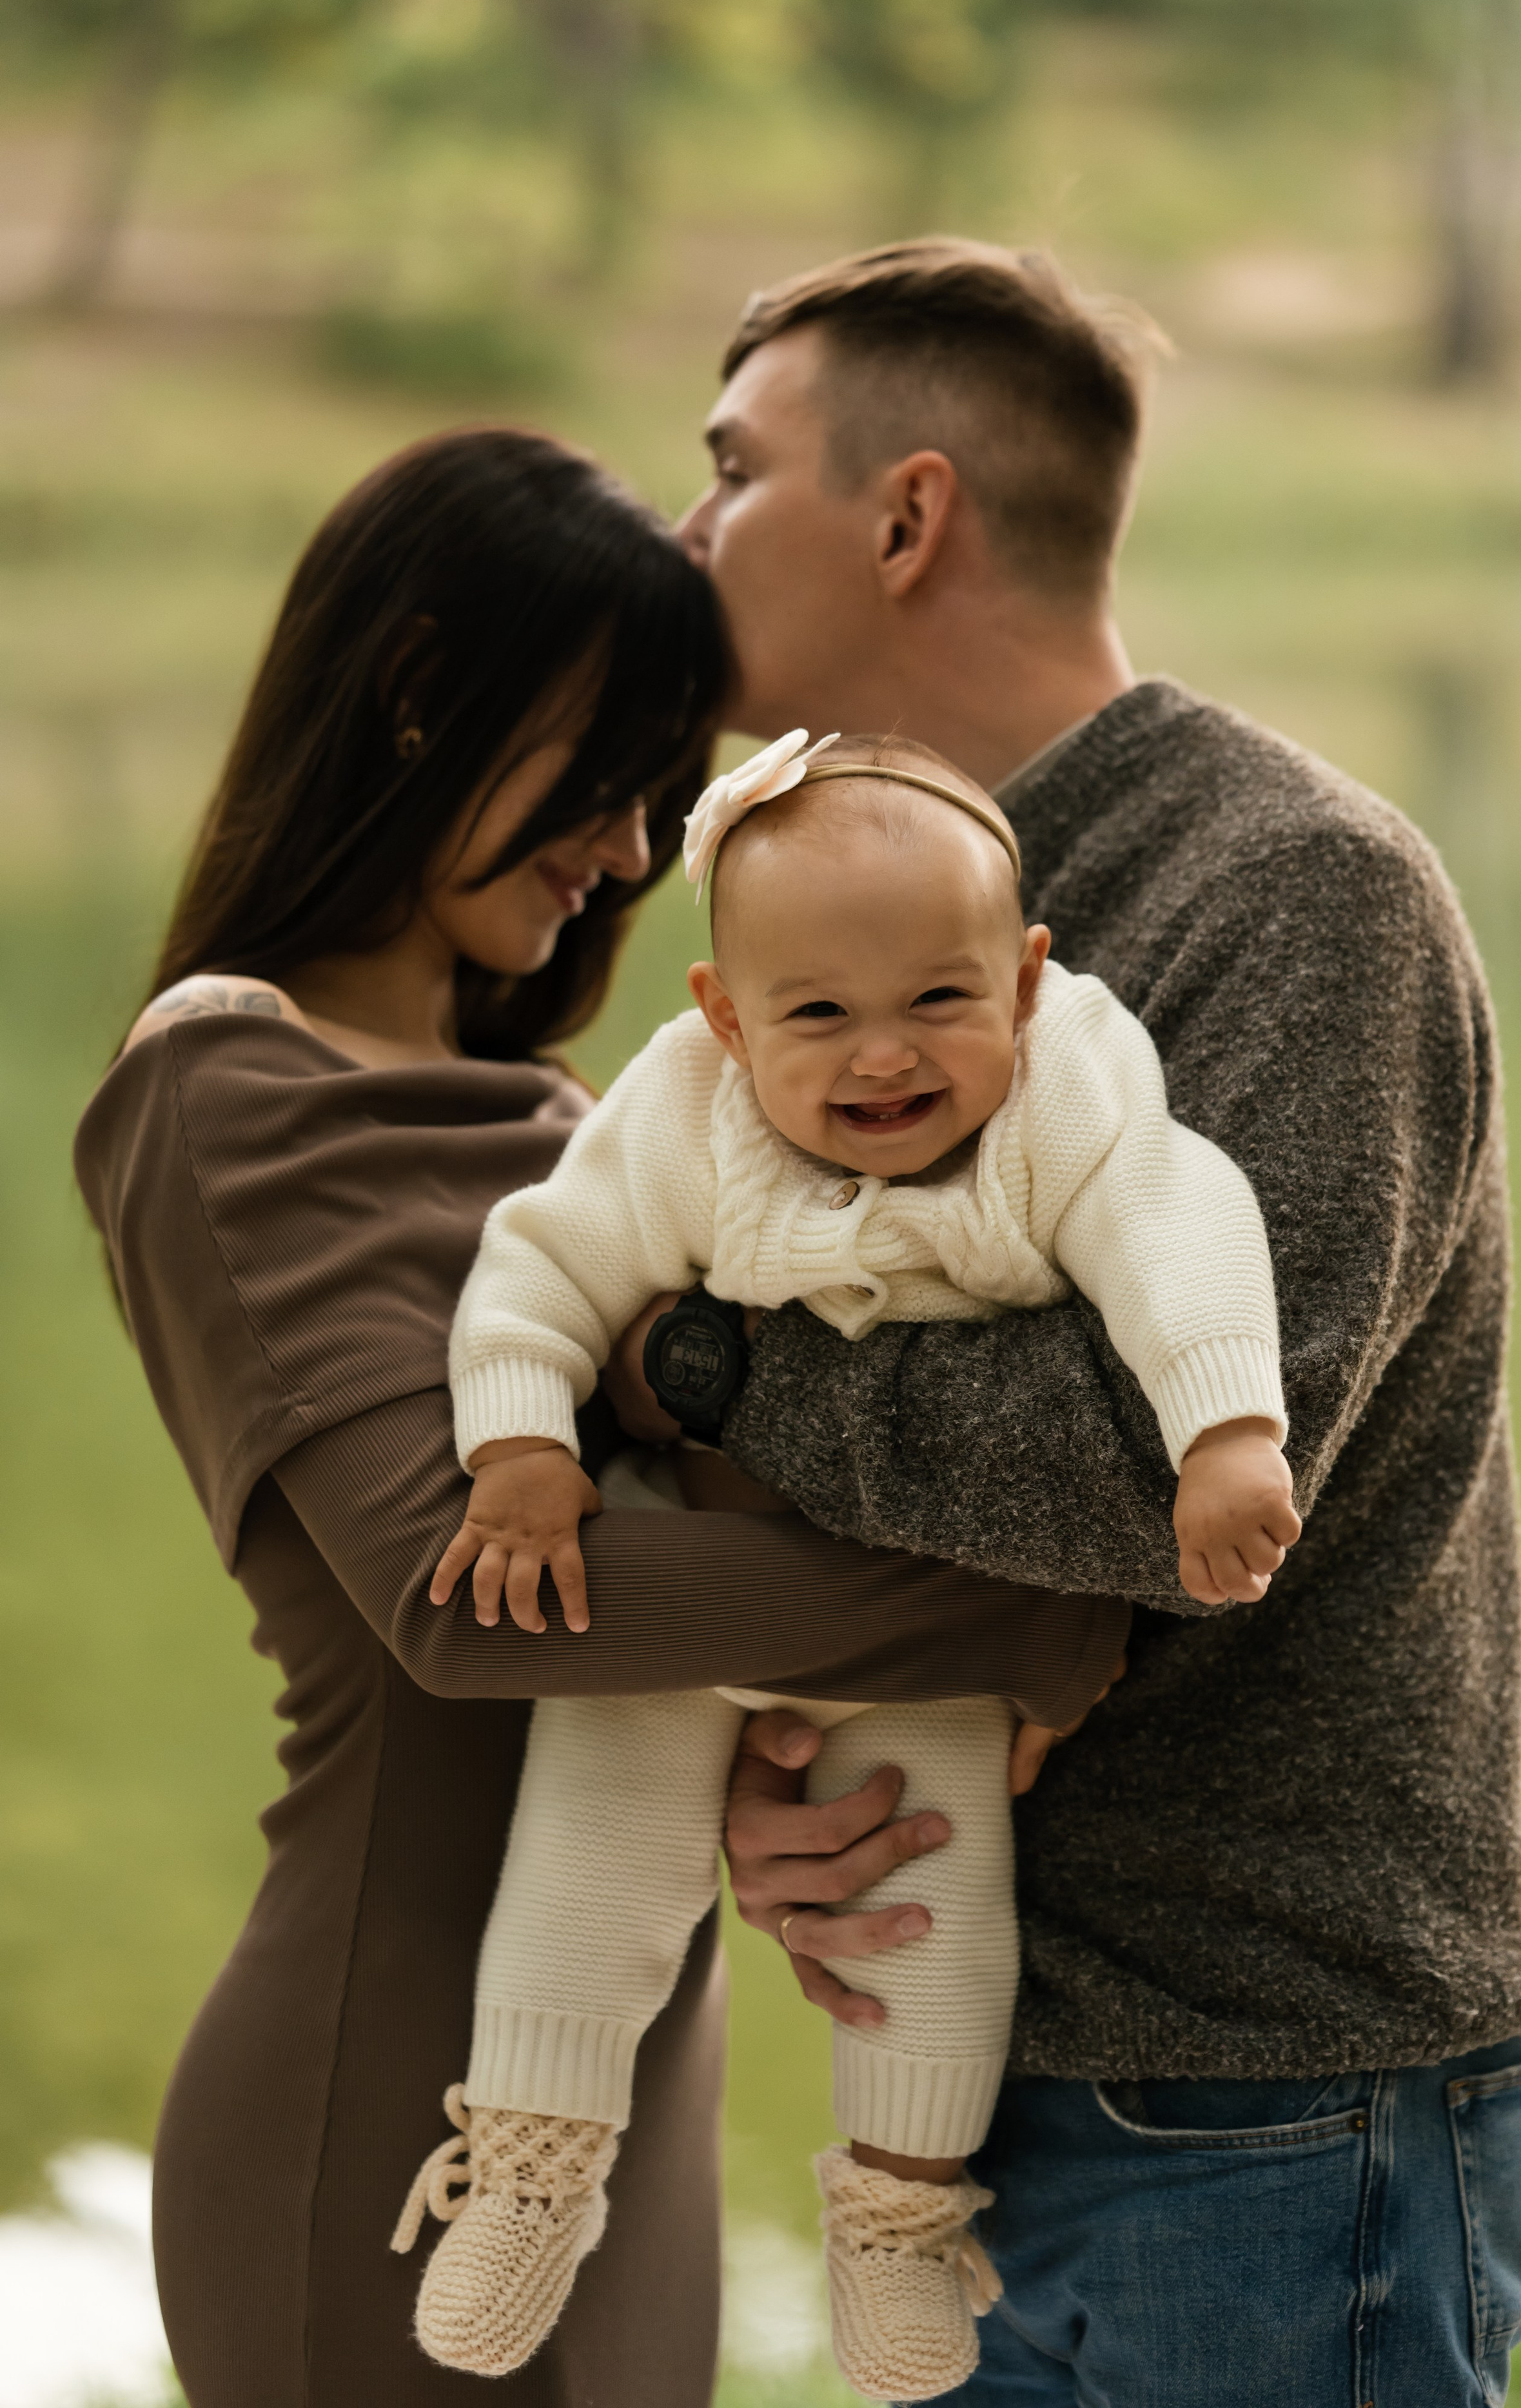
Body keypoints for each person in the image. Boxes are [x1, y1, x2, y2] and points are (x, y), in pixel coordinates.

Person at [72, 424, 1131, 2408]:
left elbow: (706, 1556)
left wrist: (783, 1762)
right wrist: (1015, 1611)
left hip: (630, 2056)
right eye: (609, 769)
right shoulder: (227, 1086)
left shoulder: (583, 1128)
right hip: (386, 2085)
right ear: (415, 687)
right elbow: (468, 1604)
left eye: (673, 789)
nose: (640, 851)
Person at [636, 239, 1521, 2405]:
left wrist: (705, 1367)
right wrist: (771, 1759)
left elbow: (1158, 1472)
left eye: (729, 470)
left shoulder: (1294, 888)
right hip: (958, 2074)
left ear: (906, 517)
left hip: (1275, 2103)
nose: (684, 534)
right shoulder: (813, 941)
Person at [396, 729, 1294, 2394]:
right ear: (728, 1017)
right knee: (589, 1868)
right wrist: (517, 1446)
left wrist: (1224, 1426)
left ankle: (895, 2219)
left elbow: (1177, 1221)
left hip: (916, 1619)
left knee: (932, 1923)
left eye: (940, 1001)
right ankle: (532, 2167)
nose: (885, 1057)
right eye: (816, 1015)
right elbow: (543, 1271)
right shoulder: (680, 1111)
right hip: (691, 1569)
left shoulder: (1065, 1095)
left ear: (1024, 981)